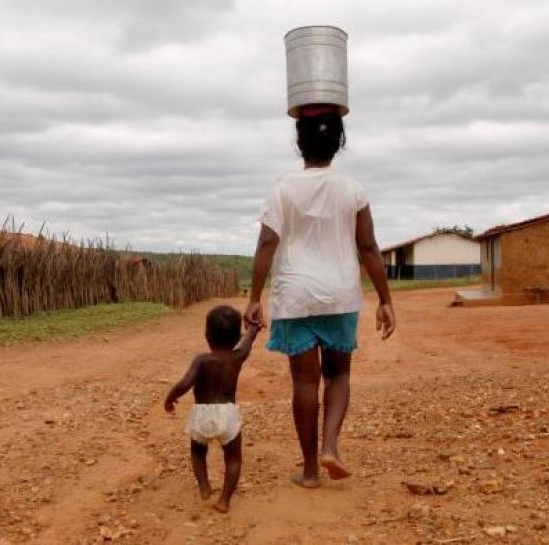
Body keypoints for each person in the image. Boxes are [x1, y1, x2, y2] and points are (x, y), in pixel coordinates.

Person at [244, 104, 395, 489]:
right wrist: (385, 299)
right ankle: (331, 445)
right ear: (339, 142)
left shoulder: (281, 189)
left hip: (294, 295)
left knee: (305, 384)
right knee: (339, 373)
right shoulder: (353, 190)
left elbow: (266, 241)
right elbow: (369, 247)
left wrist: (253, 297)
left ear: (299, 142)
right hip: (340, 294)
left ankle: (311, 470)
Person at [164, 305, 261, 513]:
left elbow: (185, 383)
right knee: (233, 458)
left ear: (207, 335)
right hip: (227, 414)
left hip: (201, 414)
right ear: (236, 336)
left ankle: (204, 485)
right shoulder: (236, 358)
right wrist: (253, 329)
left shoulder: (202, 360)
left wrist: (171, 397)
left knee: (198, 452)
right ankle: (224, 499)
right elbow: (247, 343)